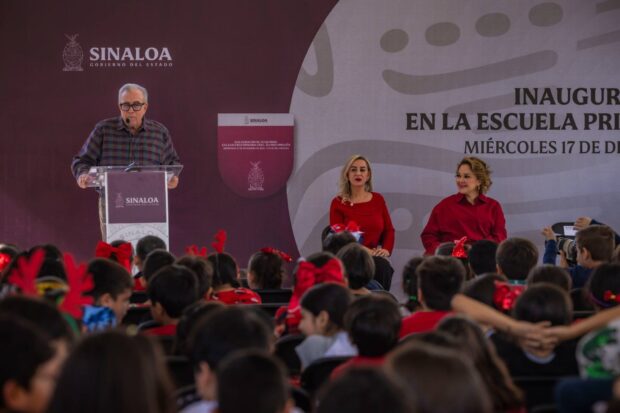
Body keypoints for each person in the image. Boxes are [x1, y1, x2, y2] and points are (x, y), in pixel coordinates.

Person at [71, 83, 181, 238]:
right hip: (114, 202)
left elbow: (172, 163)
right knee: (116, 249)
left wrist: (173, 177)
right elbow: (81, 161)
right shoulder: (103, 129)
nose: (130, 110)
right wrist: (82, 174)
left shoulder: (159, 132)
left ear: (145, 107)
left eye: (136, 105)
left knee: (147, 249)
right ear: (119, 106)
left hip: (150, 202)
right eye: (125, 105)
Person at [421, 156, 506, 256]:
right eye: (458, 176)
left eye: (466, 176)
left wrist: (478, 251)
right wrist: (445, 253)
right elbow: (428, 236)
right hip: (451, 262)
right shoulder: (445, 205)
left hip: (482, 260)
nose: (460, 180)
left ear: (479, 180)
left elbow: (499, 237)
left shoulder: (493, 206)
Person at [329, 155, 394, 258]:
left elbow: (389, 230)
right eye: (353, 170)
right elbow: (339, 238)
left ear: (368, 175)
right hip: (349, 257)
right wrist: (369, 252)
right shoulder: (338, 202)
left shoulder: (378, 199)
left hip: (376, 257)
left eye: (362, 170)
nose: (358, 173)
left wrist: (386, 250)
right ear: (347, 175)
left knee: (383, 266)